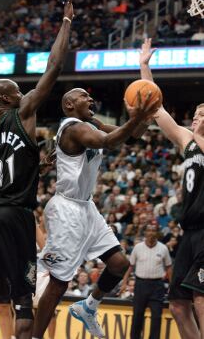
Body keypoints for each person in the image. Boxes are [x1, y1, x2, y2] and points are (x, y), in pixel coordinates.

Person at [0, 0, 73, 339]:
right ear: (7, 99)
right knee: (22, 299)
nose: (22, 92)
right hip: (15, 215)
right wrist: (66, 22)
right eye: (18, 90)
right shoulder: (24, 112)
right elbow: (54, 67)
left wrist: (34, 166)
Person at [32, 87, 160, 339]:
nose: (91, 99)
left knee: (119, 263)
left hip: (86, 206)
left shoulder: (90, 123)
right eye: (83, 96)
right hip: (66, 210)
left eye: (91, 96)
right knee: (59, 283)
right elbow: (107, 141)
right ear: (69, 105)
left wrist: (145, 118)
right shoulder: (73, 128)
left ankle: (89, 306)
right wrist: (135, 118)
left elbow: (131, 137)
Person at [139, 38, 204, 339]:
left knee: (201, 298)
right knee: (178, 305)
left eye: (203, 113)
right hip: (188, 232)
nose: (197, 115)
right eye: (196, 113)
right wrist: (144, 66)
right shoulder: (186, 140)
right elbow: (155, 108)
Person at [120, 224, 172, 339]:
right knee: (137, 315)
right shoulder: (138, 247)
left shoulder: (163, 248)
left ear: (157, 233)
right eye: (149, 230)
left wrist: (172, 285)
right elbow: (130, 267)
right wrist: (124, 283)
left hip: (157, 286)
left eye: (154, 230)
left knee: (157, 316)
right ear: (145, 233)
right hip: (140, 284)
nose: (151, 233)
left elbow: (169, 267)